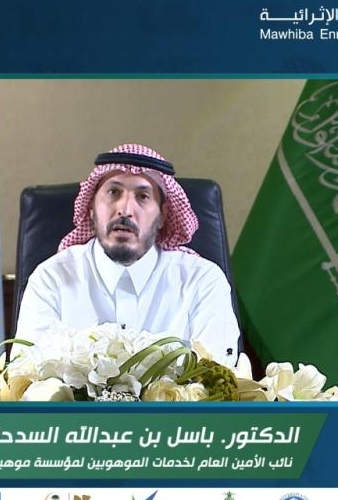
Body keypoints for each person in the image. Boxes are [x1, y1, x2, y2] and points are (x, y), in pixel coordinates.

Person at [14, 143, 240, 366]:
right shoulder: (51, 279)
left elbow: (216, 373)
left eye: (143, 196)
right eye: (113, 192)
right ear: (91, 207)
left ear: (163, 215)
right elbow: (25, 375)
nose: (125, 210)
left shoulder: (202, 281)